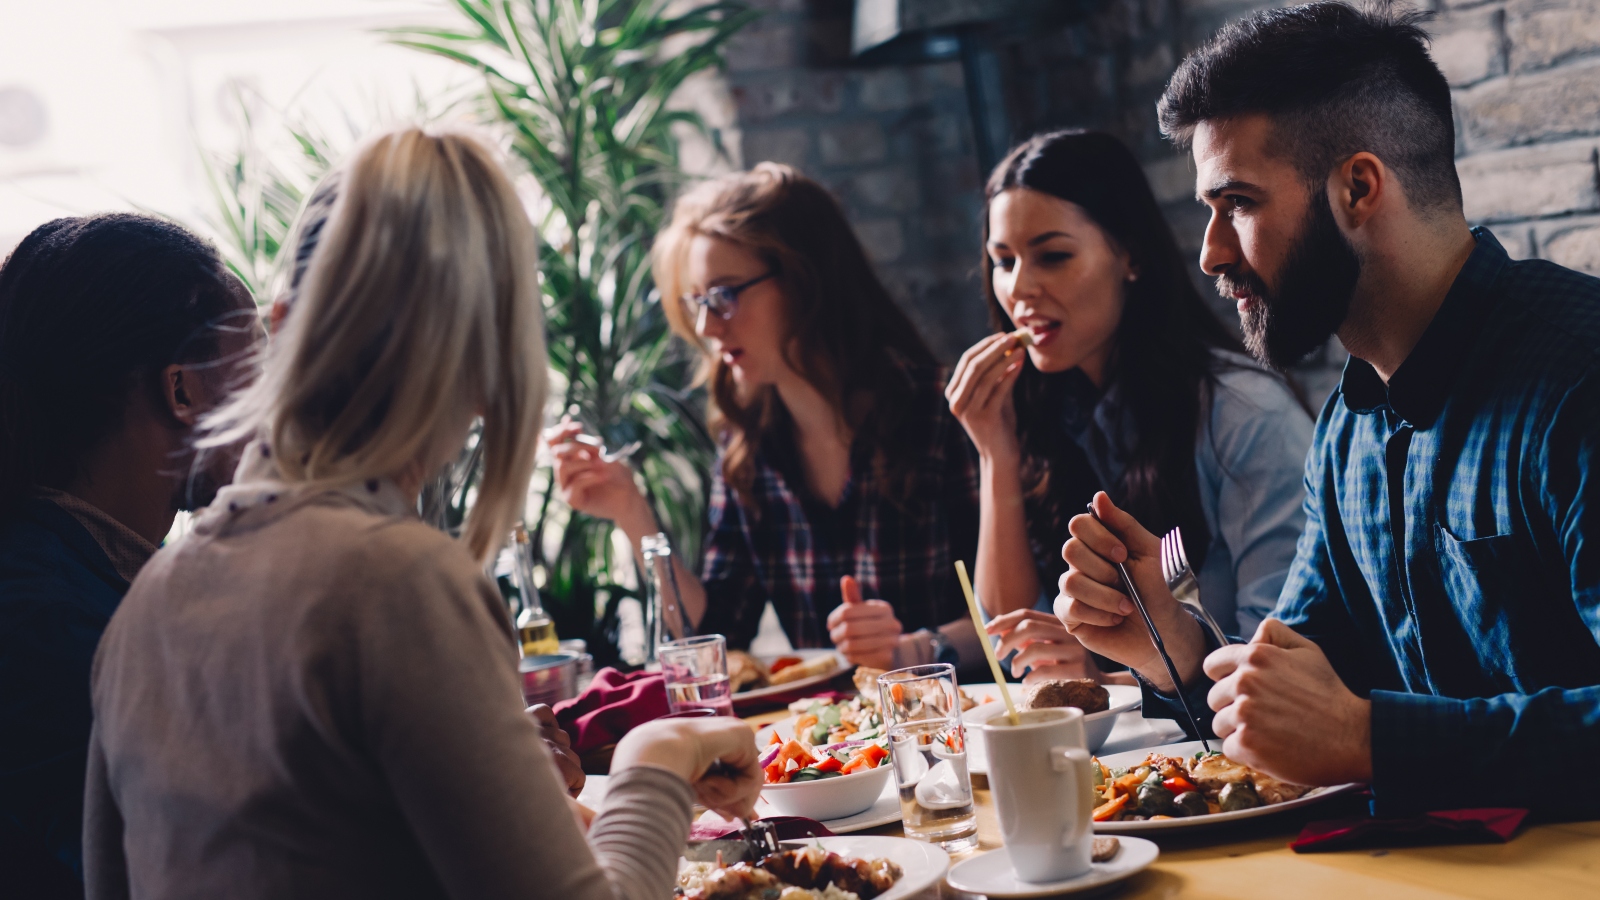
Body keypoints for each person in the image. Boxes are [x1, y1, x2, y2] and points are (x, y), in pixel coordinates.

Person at [84, 127, 760, 899]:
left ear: (281, 325)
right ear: (488, 365)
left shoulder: (144, 607)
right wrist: (659, 755)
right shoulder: (397, 578)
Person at [1057, 1, 1600, 817]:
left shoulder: (1579, 381)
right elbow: (1300, 684)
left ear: (1357, 188)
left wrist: (1371, 741)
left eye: (1236, 203)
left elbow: (1345, 728)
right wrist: (1167, 639)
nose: (1209, 253)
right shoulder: (1348, 427)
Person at [549, 163, 982, 671]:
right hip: (831, 740)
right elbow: (716, 636)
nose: (708, 326)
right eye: (698, 303)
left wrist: (916, 648)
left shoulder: (943, 410)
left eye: (726, 294)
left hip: (961, 722)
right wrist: (632, 513)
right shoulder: (748, 446)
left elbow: (1018, 610)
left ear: (806, 280)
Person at [946, 131, 1312, 685]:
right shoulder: (1049, 410)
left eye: (1053, 256)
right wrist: (994, 452)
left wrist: (1100, 677)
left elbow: (1283, 654)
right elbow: (1009, 645)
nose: (1019, 287)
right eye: (1002, 261)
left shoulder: (1243, 413)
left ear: (1131, 256)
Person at [0, 213, 258, 897]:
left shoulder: (84, 574)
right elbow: (197, 855)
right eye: (256, 369)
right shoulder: (40, 620)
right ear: (183, 392)